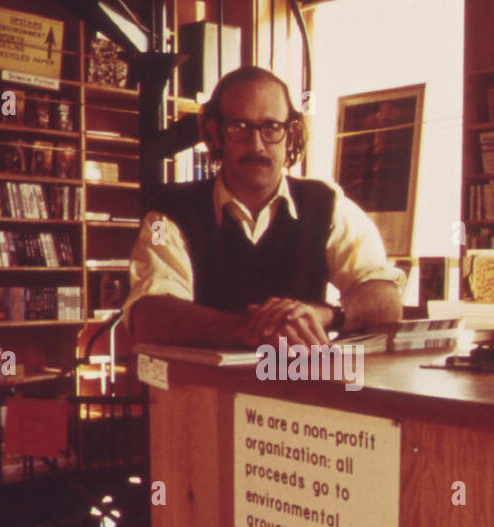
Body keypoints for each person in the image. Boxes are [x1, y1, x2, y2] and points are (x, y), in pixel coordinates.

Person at [123, 65, 404, 349]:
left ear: (291, 134)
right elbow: (149, 314)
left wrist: (326, 315)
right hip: (204, 390)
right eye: (239, 127)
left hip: (298, 386)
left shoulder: (328, 206)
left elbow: (387, 299)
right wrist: (254, 329)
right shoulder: (164, 215)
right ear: (214, 134)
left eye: (271, 127)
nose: (256, 145)